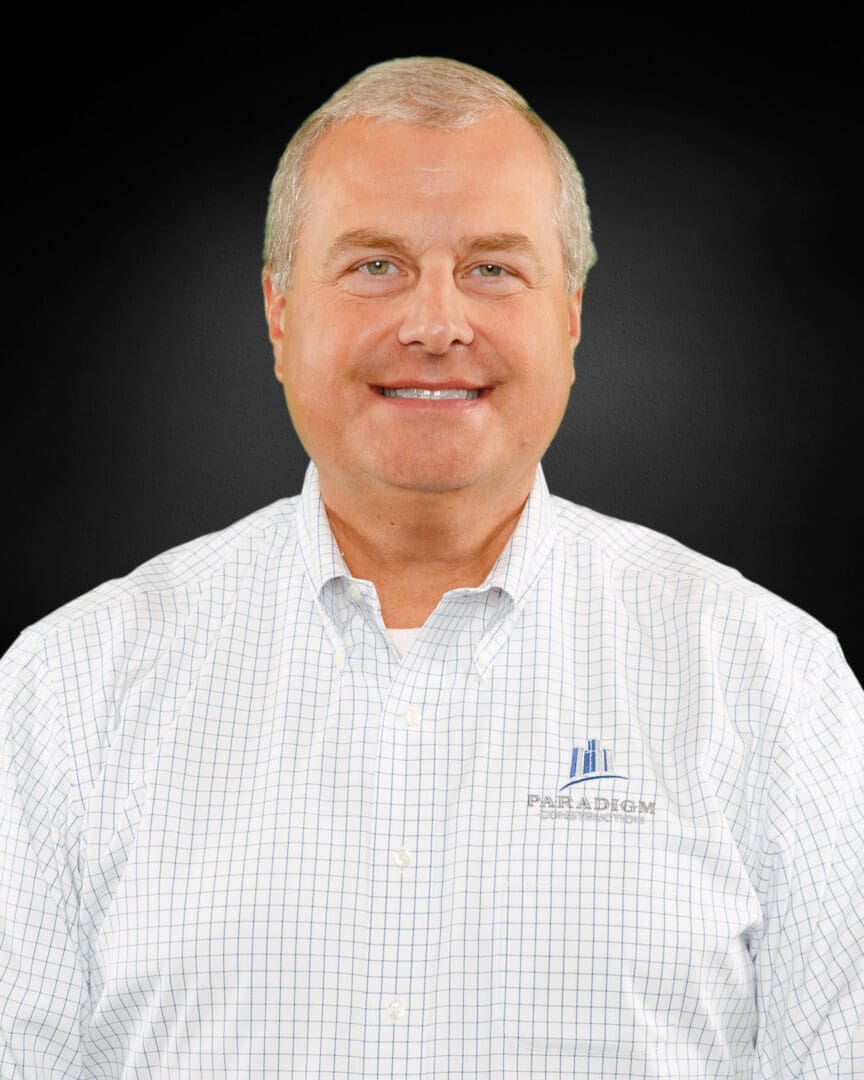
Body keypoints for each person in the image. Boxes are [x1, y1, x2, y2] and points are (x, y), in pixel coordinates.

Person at [1, 56, 861, 1080]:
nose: (436, 322)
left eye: (493, 268)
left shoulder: (776, 684)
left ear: (572, 317)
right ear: (279, 313)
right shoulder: (63, 691)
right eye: (376, 265)